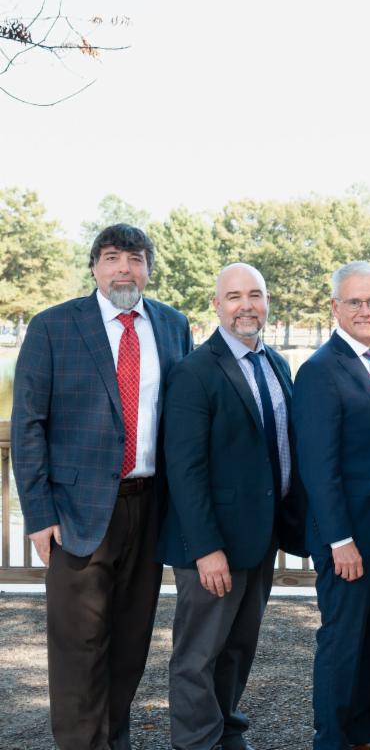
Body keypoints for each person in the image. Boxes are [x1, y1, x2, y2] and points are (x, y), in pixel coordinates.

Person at [11, 224, 192, 750]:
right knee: (79, 648)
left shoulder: (172, 325)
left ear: (149, 269)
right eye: (111, 258)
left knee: (131, 643)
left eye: (134, 259)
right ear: (94, 267)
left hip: (149, 507)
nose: (123, 269)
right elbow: (28, 425)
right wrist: (39, 513)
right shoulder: (54, 327)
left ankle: (114, 740)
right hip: (75, 513)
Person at [159, 262, 308, 750]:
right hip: (214, 541)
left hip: (259, 535)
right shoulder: (194, 372)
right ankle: (196, 743)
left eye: (255, 294)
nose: (246, 305)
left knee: (239, 647)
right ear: (217, 305)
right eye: (235, 296)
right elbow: (185, 470)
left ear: (267, 302)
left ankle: (226, 730)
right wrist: (206, 548)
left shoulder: (276, 364)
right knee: (198, 653)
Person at [294, 261, 370, 750]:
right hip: (348, 538)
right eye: (354, 302)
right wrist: (340, 540)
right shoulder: (319, 371)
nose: (365, 310)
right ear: (335, 307)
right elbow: (319, 468)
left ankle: (366, 731)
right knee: (342, 644)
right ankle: (333, 740)